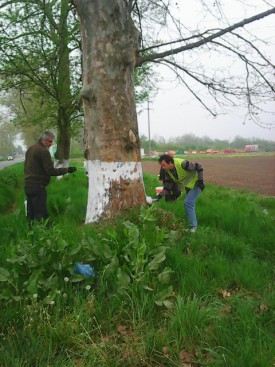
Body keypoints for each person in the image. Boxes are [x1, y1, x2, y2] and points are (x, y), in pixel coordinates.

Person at [24, 131, 77, 222]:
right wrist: (67, 170)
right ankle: (44, 233)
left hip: (28, 185)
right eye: (49, 141)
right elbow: (50, 171)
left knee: (31, 213)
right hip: (38, 186)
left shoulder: (31, 148)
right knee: (41, 214)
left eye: (52, 141)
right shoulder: (43, 151)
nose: (51, 144)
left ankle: (30, 231)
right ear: (43, 140)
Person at [152, 154, 205, 232]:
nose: (162, 168)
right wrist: (158, 197)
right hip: (188, 186)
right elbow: (167, 187)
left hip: (197, 183)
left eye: (163, 165)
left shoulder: (183, 164)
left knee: (188, 203)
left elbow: (199, 166)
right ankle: (191, 225)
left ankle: (192, 227)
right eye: (161, 166)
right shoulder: (168, 172)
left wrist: (200, 180)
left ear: (170, 163)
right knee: (190, 204)